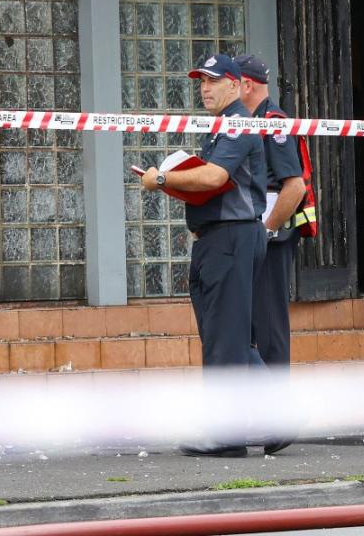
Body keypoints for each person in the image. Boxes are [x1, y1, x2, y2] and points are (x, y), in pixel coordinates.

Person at [141, 53, 267, 458]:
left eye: (213, 80)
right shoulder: (218, 127)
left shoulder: (237, 124)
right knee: (222, 336)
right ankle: (282, 413)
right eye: (201, 82)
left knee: (226, 342)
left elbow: (215, 177)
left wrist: (162, 178)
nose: (205, 88)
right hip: (217, 240)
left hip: (232, 238)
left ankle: (226, 436)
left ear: (236, 84)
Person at [234, 54, 307, 369]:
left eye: (227, 83)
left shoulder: (273, 123)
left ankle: (277, 409)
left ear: (246, 85)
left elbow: (295, 187)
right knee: (248, 325)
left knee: (269, 326)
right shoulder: (247, 122)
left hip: (271, 240)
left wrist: (265, 232)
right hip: (252, 237)